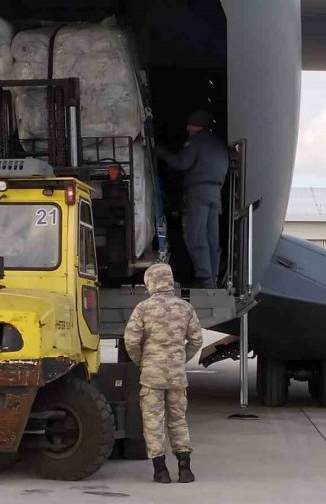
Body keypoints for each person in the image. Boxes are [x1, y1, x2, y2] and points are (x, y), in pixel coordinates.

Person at [123, 263, 203, 484]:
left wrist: (143, 361)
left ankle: (161, 472)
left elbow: (131, 341)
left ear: (150, 282)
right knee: (178, 420)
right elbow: (196, 340)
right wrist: (180, 359)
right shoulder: (185, 308)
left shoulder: (143, 308)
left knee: (153, 422)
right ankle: (185, 470)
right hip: (177, 377)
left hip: (151, 376)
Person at [155, 110, 229, 288]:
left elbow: (182, 163)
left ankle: (203, 277)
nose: (187, 128)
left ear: (198, 126)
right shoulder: (219, 144)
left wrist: (163, 154)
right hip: (216, 193)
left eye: (191, 125)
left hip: (198, 192)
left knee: (196, 234)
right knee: (212, 237)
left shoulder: (196, 141)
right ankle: (212, 277)